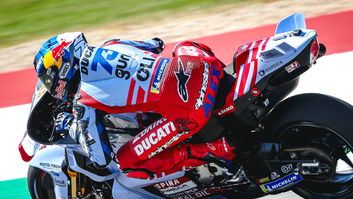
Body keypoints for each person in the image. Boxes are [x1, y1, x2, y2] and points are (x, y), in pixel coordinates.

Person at [33, 32, 236, 180]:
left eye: (49, 79)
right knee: (182, 45)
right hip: (203, 66)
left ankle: (219, 149)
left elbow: (101, 158)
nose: (50, 85)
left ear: (64, 68)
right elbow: (155, 44)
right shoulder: (112, 44)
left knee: (127, 161)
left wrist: (72, 127)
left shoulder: (83, 99)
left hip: (189, 108)